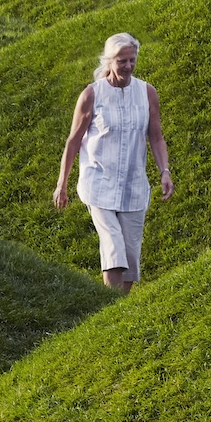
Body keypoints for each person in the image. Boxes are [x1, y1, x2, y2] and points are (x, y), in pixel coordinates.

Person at [52, 33, 172, 294]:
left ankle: (120, 308)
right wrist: (62, 184)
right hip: (99, 183)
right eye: (122, 61)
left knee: (129, 252)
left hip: (134, 185)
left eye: (132, 60)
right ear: (109, 61)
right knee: (113, 246)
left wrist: (165, 171)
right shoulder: (92, 94)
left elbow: (156, 135)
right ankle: (111, 304)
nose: (128, 66)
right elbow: (73, 141)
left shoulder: (147, 92)